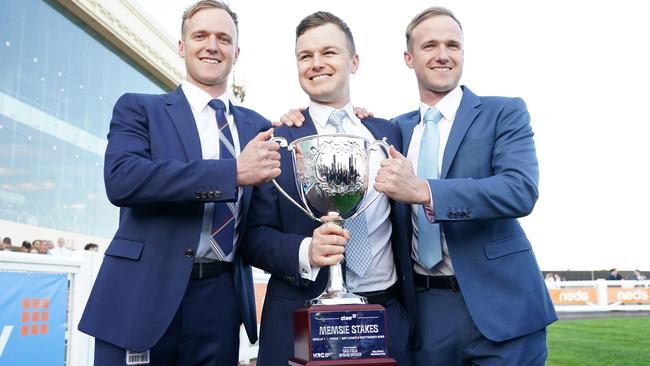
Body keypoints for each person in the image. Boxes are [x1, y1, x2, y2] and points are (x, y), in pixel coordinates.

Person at [78, 1, 282, 365]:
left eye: (223, 38)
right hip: (141, 294)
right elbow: (123, 180)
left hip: (220, 301)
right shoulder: (140, 108)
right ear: (181, 46)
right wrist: (230, 173)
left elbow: (262, 223)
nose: (211, 45)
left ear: (237, 52)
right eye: (200, 35)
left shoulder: (259, 127)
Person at [370, 7, 556, 365]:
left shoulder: (504, 112)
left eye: (453, 45)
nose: (443, 54)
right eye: (430, 46)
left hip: (504, 309)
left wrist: (426, 191)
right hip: (426, 311)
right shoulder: (393, 130)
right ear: (409, 58)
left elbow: (520, 189)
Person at [241, 12, 416, 366]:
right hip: (302, 320)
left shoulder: (390, 134)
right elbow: (252, 237)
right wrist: (306, 250)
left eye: (329, 52)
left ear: (354, 61)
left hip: (387, 314)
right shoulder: (276, 140)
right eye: (305, 56)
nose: (316, 63)